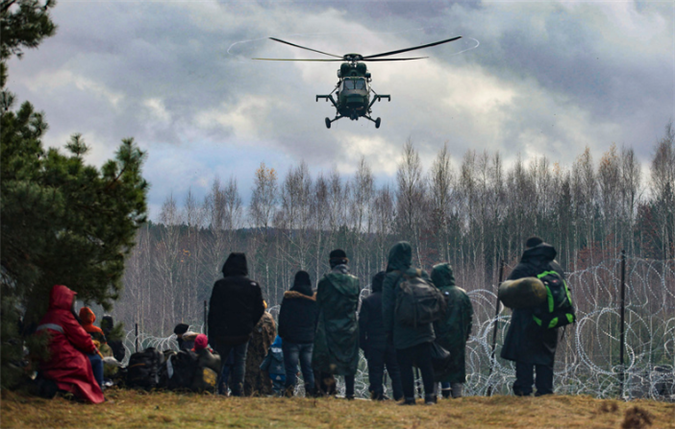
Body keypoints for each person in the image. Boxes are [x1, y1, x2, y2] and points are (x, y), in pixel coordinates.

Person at [500, 236, 564, 396]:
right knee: (546, 355)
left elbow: (508, 292)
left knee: (524, 355)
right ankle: (545, 390)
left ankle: (524, 388)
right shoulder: (555, 267)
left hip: (525, 319)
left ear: (529, 248)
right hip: (550, 319)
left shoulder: (523, 267)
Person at [382, 241, 437, 405]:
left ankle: (410, 398)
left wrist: (388, 331)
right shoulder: (422, 275)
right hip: (424, 326)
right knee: (426, 364)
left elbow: (387, 308)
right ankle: (429, 397)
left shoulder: (391, 278)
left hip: (402, 328)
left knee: (404, 365)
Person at [35, 285, 105, 404]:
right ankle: (97, 393)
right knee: (96, 360)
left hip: (47, 362)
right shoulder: (64, 317)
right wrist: (94, 350)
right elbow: (82, 338)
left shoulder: (46, 317)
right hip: (63, 359)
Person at [208, 252, 265, 396]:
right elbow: (260, 308)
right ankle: (238, 388)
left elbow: (213, 311)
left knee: (219, 361)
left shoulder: (220, 285)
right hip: (243, 332)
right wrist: (250, 324)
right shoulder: (252, 285)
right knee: (240, 361)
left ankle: (216, 388)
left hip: (223, 332)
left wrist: (212, 333)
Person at [312, 249, 360, 399]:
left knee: (326, 360)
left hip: (328, 327)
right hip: (349, 327)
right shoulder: (355, 281)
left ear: (331, 262)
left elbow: (318, 305)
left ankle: (326, 392)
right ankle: (350, 393)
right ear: (346, 262)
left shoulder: (325, 282)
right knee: (349, 360)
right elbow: (356, 305)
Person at [431, 262, 473, 399]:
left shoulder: (434, 294)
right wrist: (465, 335)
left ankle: (431, 396)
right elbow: (469, 316)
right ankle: (457, 397)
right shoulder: (462, 294)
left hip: (437, 338)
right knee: (456, 369)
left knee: (435, 368)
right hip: (457, 338)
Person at [359, 271, 403, 401]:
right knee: (396, 372)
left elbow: (362, 326)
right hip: (393, 341)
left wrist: (364, 345)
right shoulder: (395, 300)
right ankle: (399, 396)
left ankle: (377, 396)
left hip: (374, 342)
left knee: (375, 372)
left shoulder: (368, 301)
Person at [278, 270, 318, 397]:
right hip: (309, 339)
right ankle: (311, 394)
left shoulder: (289, 298)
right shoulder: (314, 299)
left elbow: (283, 319)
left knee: (290, 370)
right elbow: (317, 320)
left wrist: (283, 334)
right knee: (308, 370)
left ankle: (289, 394)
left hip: (291, 339)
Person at [244, 302, 276, 396]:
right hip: (265, 351)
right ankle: (264, 394)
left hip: (251, 353)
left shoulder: (249, 317)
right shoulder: (269, 318)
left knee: (250, 376)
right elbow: (273, 335)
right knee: (264, 377)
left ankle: (250, 394)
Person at [77, 307, 106, 389]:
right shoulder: (97, 331)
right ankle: (99, 386)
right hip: (94, 354)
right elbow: (105, 345)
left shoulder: (78, 329)